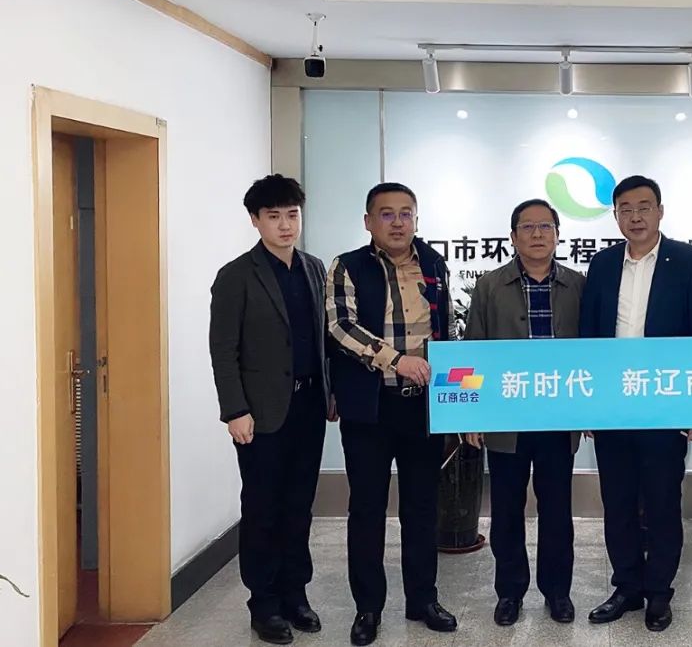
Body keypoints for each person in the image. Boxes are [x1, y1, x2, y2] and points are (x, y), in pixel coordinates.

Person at [579, 175, 692, 632]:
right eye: (626, 209)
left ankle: (659, 592)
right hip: (613, 405)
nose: (635, 216)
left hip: (664, 403)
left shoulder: (689, 262)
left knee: (661, 502)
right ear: (615, 215)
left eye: (644, 207)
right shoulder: (601, 264)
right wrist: (589, 403)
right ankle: (626, 587)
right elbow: (589, 336)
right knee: (617, 501)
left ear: (660, 211)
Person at [325, 182, 457, 646]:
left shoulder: (434, 263)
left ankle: (423, 599)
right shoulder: (348, 265)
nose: (397, 222)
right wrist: (394, 360)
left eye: (406, 213)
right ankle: (368, 607)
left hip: (421, 407)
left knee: (422, 508)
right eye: (386, 214)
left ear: (416, 219)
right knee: (367, 509)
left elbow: (444, 327)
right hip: (370, 408)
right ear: (368, 222)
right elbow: (340, 326)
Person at [209, 174, 330, 645]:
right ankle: (264, 603)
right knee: (262, 508)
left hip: (309, 406)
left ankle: (296, 593)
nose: (285, 225)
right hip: (259, 414)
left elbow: (323, 340)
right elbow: (224, 350)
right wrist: (234, 410)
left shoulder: (314, 269)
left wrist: (331, 393)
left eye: (292, 215)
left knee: (299, 506)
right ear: (255, 220)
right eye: (274, 216)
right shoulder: (236, 275)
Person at [462, 199, 586, 627]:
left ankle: (558, 592)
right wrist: (473, 415)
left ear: (557, 234)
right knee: (506, 512)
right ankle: (510, 592)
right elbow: (473, 351)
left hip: (558, 418)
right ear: (513, 236)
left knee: (557, 512)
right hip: (506, 419)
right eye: (528, 227)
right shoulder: (490, 286)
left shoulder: (578, 284)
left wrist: (592, 408)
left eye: (545, 226)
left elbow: (594, 353)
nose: (537, 234)